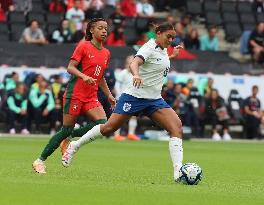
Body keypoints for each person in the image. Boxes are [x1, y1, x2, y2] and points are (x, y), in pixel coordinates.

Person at [62, 22, 184, 182]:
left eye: (173, 38)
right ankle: (74, 146)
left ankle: (178, 173)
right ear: (158, 33)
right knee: (109, 128)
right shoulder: (148, 47)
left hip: (154, 99)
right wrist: (136, 74)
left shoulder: (162, 50)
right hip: (134, 97)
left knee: (177, 127)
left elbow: (156, 63)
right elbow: (135, 62)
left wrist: (172, 56)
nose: (171, 40)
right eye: (169, 37)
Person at [32, 18, 116, 174]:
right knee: (65, 129)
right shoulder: (83, 46)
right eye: (100, 28)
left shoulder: (106, 53)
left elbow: (101, 76)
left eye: (106, 28)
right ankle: (39, 161)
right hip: (75, 94)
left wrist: (109, 95)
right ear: (91, 30)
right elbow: (70, 67)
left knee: (103, 125)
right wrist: (83, 76)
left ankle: (70, 138)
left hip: (91, 96)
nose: (105, 31)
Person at [113, 55, 140, 141]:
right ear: (126, 63)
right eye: (129, 62)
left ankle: (131, 134)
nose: (131, 64)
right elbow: (117, 85)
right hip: (122, 97)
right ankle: (116, 135)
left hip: (133, 97)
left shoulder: (136, 74)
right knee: (119, 116)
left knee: (133, 116)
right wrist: (118, 95)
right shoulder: (123, 73)